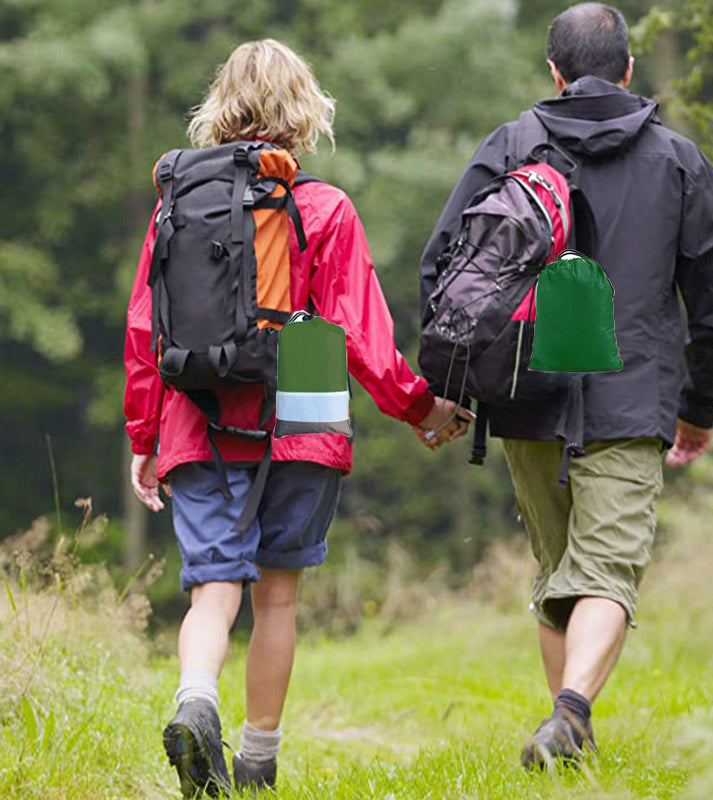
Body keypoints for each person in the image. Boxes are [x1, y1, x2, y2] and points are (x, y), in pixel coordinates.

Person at [124, 39, 469, 797]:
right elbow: (360, 338)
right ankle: (256, 761)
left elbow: (146, 331)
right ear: (305, 110)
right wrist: (422, 409)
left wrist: (145, 437)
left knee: (214, 589)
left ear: (221, 106)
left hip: (200, 415)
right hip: (302, 414)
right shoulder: (325, 208)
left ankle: (195, 701)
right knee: (278, 594)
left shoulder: (176, 202)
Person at [419, 2, 713, 768]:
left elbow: (443, 270)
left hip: (525, 391)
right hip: (633, 398)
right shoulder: (677, 160)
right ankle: (571, 718)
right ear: (629, 70)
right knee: (606, 571)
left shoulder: (509, 146)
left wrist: (458, 386)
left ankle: (568, 732)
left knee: (559, 572)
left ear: (554, 73)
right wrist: (698, 406)